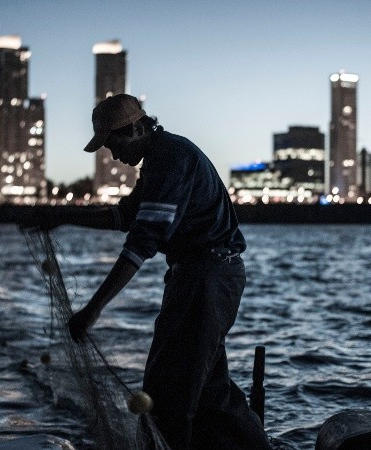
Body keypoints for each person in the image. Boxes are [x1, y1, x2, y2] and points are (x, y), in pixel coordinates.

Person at [28, 93, 273, 450]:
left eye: (113, 145)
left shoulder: (171, 160)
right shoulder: (161, 159)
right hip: (204, 276)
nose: (113, 156)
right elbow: (126, 217)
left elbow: (142, 242)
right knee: (209, 391)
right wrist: (64, 217)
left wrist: (93, 308)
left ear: (138, 128)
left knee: (168, 390)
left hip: (206, 277)